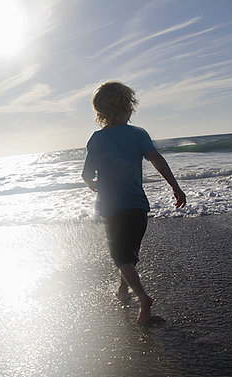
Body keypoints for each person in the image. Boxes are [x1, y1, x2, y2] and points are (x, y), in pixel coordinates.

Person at [82, 81, 186, 325]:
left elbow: (87, 174)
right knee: (128, 253)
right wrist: (175, 186)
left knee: (120, 255)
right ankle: (123, 290)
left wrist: (91, 184)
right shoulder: (139, 134)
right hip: (138, 207)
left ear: (100, 112)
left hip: (111, 208)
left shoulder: (96, 140)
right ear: (128, 108)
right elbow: (157, 160)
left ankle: (143, 297)